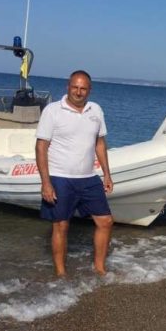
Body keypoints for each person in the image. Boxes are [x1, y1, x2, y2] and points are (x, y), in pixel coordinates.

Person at [35, 70, 114, 276]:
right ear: (68, 87)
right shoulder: (52, 111)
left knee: (105, 221)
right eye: (75, 87)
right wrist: (46, 183)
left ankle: (99, 268)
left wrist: (106, 173)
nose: (78, 92)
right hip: (60, 178)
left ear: (89, 90)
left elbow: (99, 143)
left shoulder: (95, 110)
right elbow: (41, 147)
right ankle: (61, 272)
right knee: (61, 225)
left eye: (83, 88)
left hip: (88, 178)